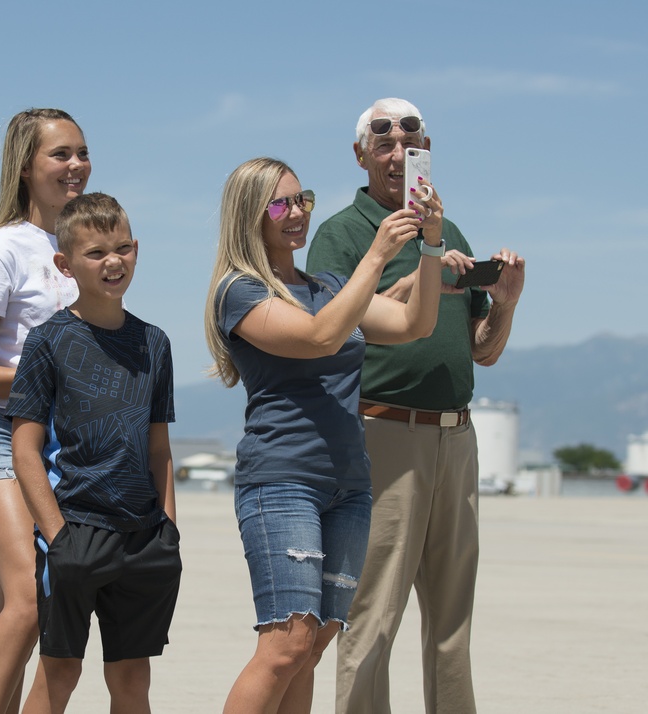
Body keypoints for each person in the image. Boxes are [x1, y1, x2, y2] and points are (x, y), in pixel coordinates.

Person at [306, 98, 526, 714]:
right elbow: (332, 325)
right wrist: (414, 274)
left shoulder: (448, 233)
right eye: (383, 132)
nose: (398, 141)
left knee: (453, 622)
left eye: (412, 132)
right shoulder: (342, 234)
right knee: (372, 615)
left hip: (456, 436)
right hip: (384, 433)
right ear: (360, 152)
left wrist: (504, 303)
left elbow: (482, 352)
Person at [204, 156, 444, 714]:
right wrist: (379, 254)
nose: (298, 213)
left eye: (302, 198)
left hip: (349, 487)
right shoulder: (239, 292)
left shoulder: (329, 286)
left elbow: (416, 325)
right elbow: (319, 337)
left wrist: (429, 247)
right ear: (250, 216)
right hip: (283, 481)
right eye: (281, 204)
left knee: (311, 647)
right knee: (285, 646)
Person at [7, 193, 181, 714]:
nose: (113, 262)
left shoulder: (155, 343)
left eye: (123, 248)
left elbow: (159, 447)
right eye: (96, 252)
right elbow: (25, 449)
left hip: (144, 537)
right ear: (65, 264)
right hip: (76, 530)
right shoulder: (48, 341)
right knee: (59, 673)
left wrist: (167, 528)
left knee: (132, 680)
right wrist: (57, 537)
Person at [0, 108, 89, 713]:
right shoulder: (0, 250)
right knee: (28, 594)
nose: (76, 164)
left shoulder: (80, 250)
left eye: (82, 151)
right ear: (25, 167)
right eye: (60, 154)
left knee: (24, 606)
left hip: (56, 446)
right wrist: (51, 380)